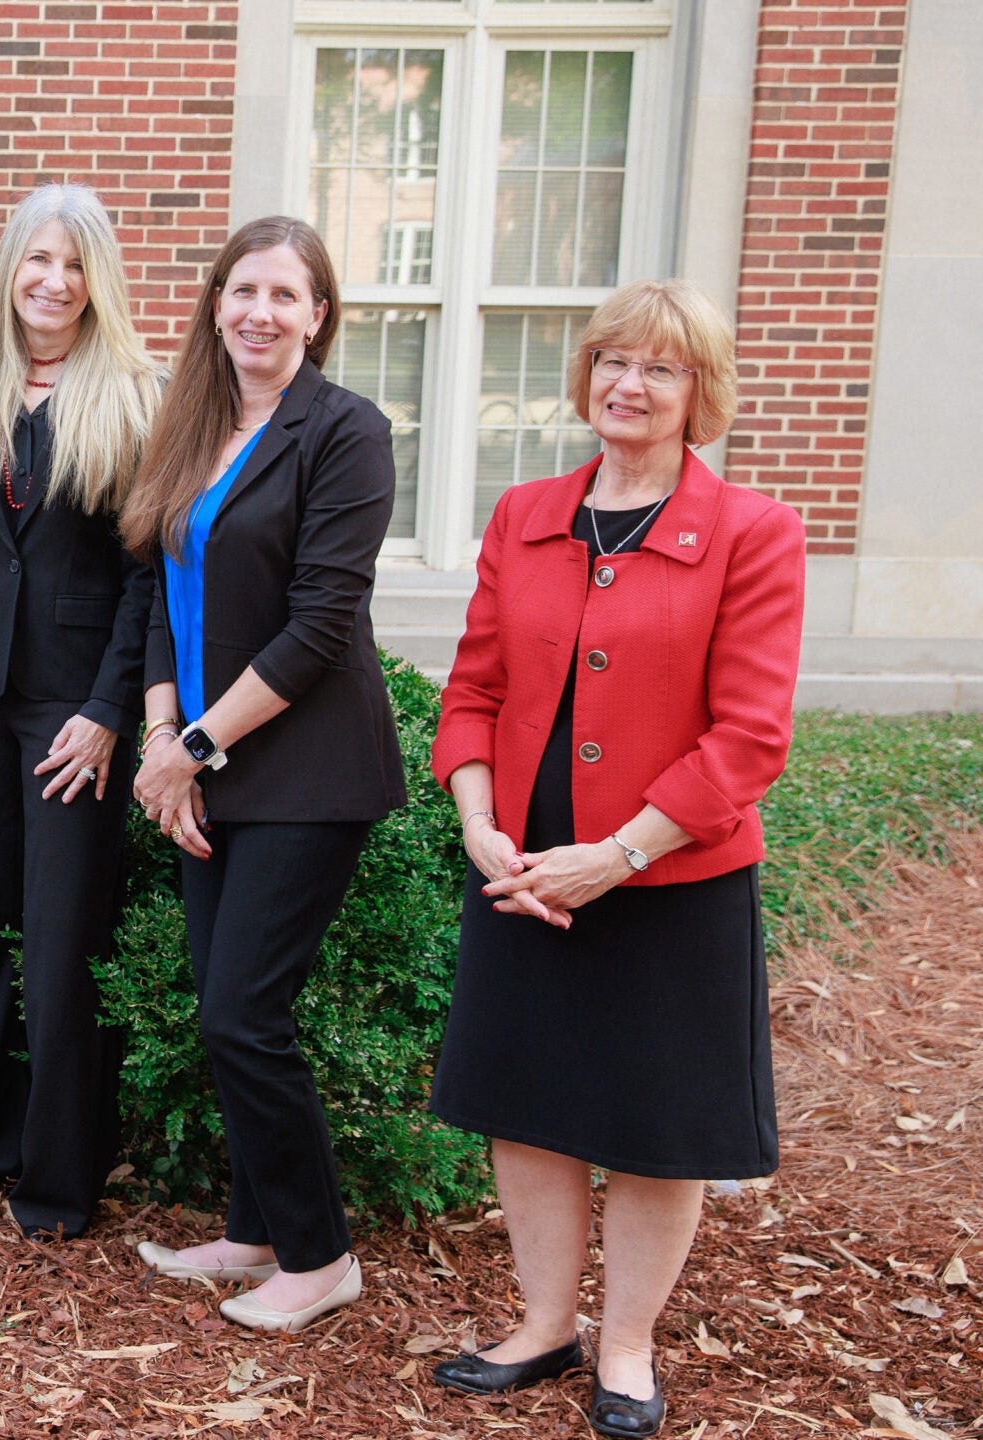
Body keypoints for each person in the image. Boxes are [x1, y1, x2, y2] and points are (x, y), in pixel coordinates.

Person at [424, 279, 800, 1438]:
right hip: (525, 868)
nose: (629, 386)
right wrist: (478, 822)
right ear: (585, 376)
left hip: (670, 875)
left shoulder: (752, 533)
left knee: (656, 1117)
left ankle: (626, 1343)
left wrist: (619, 854)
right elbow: (475, 687)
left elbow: (749, 737)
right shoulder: (524, 514)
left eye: (662, 369)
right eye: (611, 362)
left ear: (701, 394)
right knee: (526, 1100)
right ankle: (543, 1325)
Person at [121, 217, 403, 1333]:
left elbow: (318, 624)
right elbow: (157, 597)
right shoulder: (190, 426)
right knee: (224, 1005)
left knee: (245, 1011)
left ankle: (322, 1256)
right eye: (244, 290)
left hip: (304, 772)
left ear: (318, 315)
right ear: (216, 303)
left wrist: (193, 746)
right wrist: (160, 740)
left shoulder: (346, 432)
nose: (260, 313)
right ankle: (254, 1229)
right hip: (207, 767)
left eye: (286, 295)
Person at [0, 184, 164, 1241]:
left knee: (58, 943)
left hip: (68, 710)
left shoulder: (137, 399)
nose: (52, 282)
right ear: (9, 270)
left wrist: (106, 712)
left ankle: (58, 1178)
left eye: (74, 263)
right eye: (36, 261)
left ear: (100, 281)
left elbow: (148, 582)